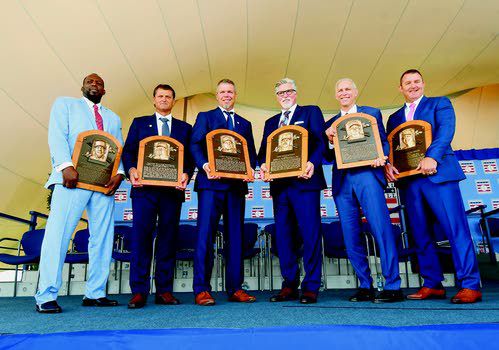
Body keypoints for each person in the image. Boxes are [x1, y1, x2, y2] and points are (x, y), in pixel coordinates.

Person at [385, 69, 482, 304]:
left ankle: (469, 284)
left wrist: (433, 157)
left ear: (423, 83)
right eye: (407, 83)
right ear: (401, 88)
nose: (413, 85)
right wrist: (388, 165)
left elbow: (445, 132)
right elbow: (393, 148)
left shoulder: (440, 103)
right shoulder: (395, 118)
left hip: (439, 175)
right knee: (420, 233)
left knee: (454, 229)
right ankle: (432, 284)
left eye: (416, 81)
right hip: (410, 182)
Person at [34, 73, 124, 313]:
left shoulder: (113, 118)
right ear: (82, 87)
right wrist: (66, 166)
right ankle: (46, 295)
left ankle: (95, 293)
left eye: (99, 83)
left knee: (102, 238)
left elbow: (118, 149)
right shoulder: (65, 104)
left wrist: (120, 174)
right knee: (59, 234)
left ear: (105, 90)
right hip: (71, 180)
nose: (94, 84)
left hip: (103, 185)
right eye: (90, 81)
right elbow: (57, 136)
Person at [324, 78, 404, 303]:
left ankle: (392, 285)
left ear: (356, 92)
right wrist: (330, 139)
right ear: (336, 95)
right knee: (350, 235)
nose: (344, 92)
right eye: (340, 90)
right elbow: (328, 155)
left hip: (368, 175)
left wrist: (384, 156)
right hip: (343, 181)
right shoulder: (330, 123)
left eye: (348, 88)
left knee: (381, 229)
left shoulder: (372, 113)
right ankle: (365, 285)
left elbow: (384, 142)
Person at [122, 84, 194, 309]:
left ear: (173, 101)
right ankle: (139, 291)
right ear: (154, 100)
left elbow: (190, 157)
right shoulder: (140, 123)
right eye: (160, 96)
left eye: (168, 96)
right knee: (141, 240)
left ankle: (164, 291)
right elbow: (128, 151)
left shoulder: (185, 128)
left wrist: (186, 173)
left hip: (171, 193)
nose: (164, 99)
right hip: (144, 192)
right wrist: (132, 169)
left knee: (167, 241)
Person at [258, 78, 326, 304]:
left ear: (296, 93)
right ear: (276, 96)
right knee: (284, 236)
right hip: (280, 187)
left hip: (305, 182)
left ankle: (311, 285)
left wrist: (312, 163)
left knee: (310, 234)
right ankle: (289, 283)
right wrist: (264, 165)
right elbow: (262, 153)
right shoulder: (270, 122)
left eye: (288, 91)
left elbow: (320, 143)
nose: (285, 95)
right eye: (280, 93)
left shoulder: (311, 112)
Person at [190, 79, 257, 305]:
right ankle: (201, 289)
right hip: (211, 185)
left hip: (236, 187)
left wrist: (249, 169)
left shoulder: (244, 123)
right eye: (222, 92)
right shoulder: (205, 117)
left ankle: (235, 288)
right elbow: (195, 145)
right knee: (205, 236)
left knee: (235, 237)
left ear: (235, 95)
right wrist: (205, 165)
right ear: (217, 96)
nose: (226, 95)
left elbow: (251, 154)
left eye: (230, 92)